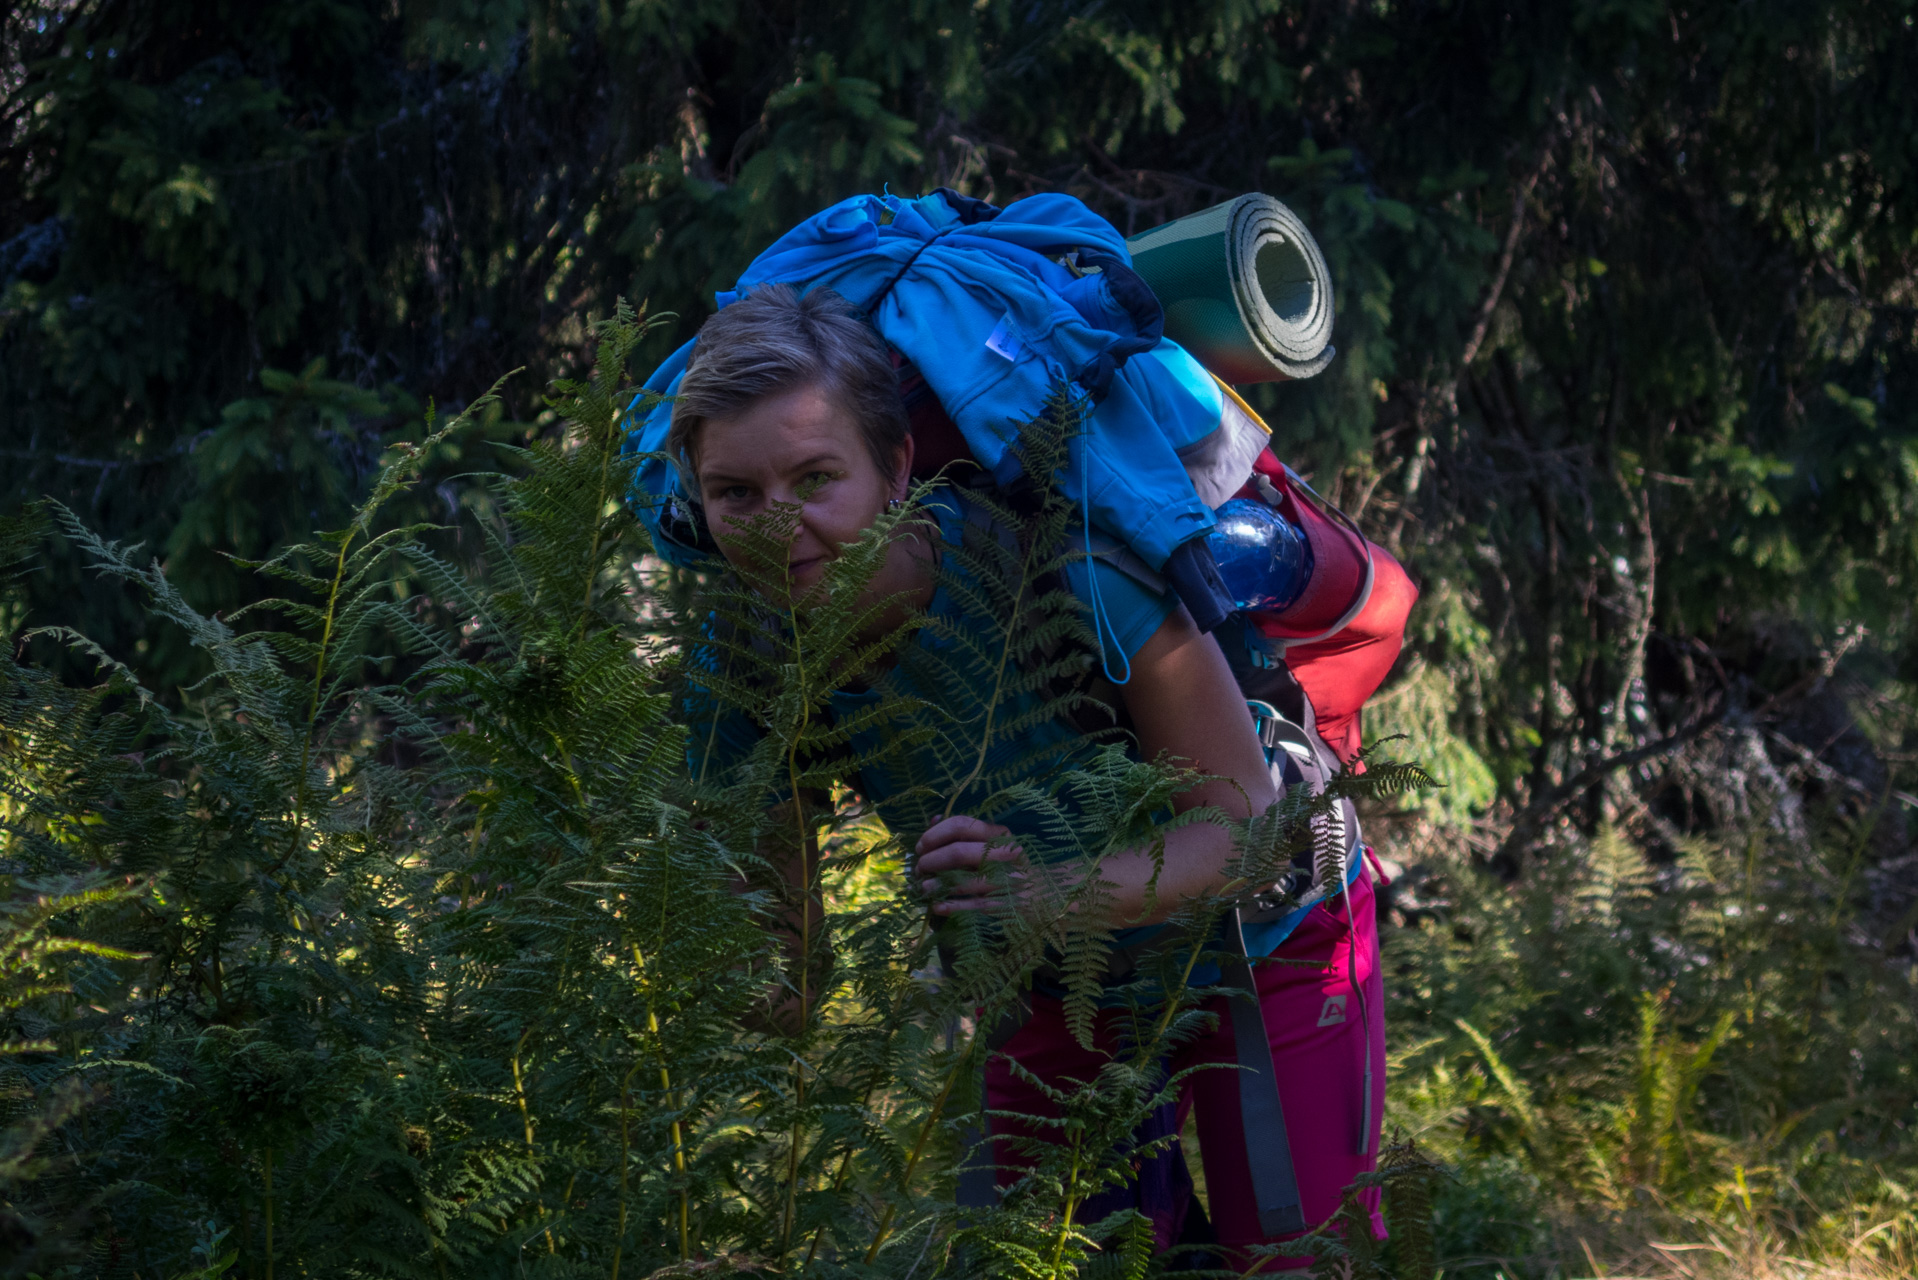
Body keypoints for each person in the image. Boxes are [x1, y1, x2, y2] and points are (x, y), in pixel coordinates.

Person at [664, 282, 1387, 1267]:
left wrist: (1046, 890)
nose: (774, 524)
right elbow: (787, 972)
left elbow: (1249, 826)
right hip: (1057, 980)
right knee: (1044, 1254)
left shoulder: (1062, 556)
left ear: (895, 464)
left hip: (1264, 931)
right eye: (734, 493)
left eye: (814, 477)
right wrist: (716, 962)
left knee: (1297, 1258)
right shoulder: (741, 654)